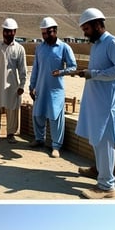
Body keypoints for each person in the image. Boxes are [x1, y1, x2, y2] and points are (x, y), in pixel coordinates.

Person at [75, 8, 115, 197]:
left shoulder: (113, 43)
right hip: (96, 104)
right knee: (97, 140)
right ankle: (99, 170)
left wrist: (94, 74)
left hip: (107, 107)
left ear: (98, 25)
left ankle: (106, 186)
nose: (85, 33)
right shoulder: (97, 44)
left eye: (87, 28)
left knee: (105, 142)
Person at [29, 17, 77, 158]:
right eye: (43, 33)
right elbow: (36, 68)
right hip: (41, 87)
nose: (45, 36)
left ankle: (56, 146)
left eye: (48, 33)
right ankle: (39, 139)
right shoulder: (40, 48)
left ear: (55, 31)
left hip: (55, 89)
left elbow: (73, 66)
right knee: (37, 115)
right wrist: (32, 86)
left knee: (55, 117)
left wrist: (61, 72)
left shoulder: (64, 48)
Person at [0, 18, 27, 144]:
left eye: (11, 31)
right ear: (3, 31)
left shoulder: (19, 49)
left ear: (15, 32)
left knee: (12, 109)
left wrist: (22, 85)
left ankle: (10, 134)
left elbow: (22, 69)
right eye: (6, 31)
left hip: (12, 86)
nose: (8, 34)